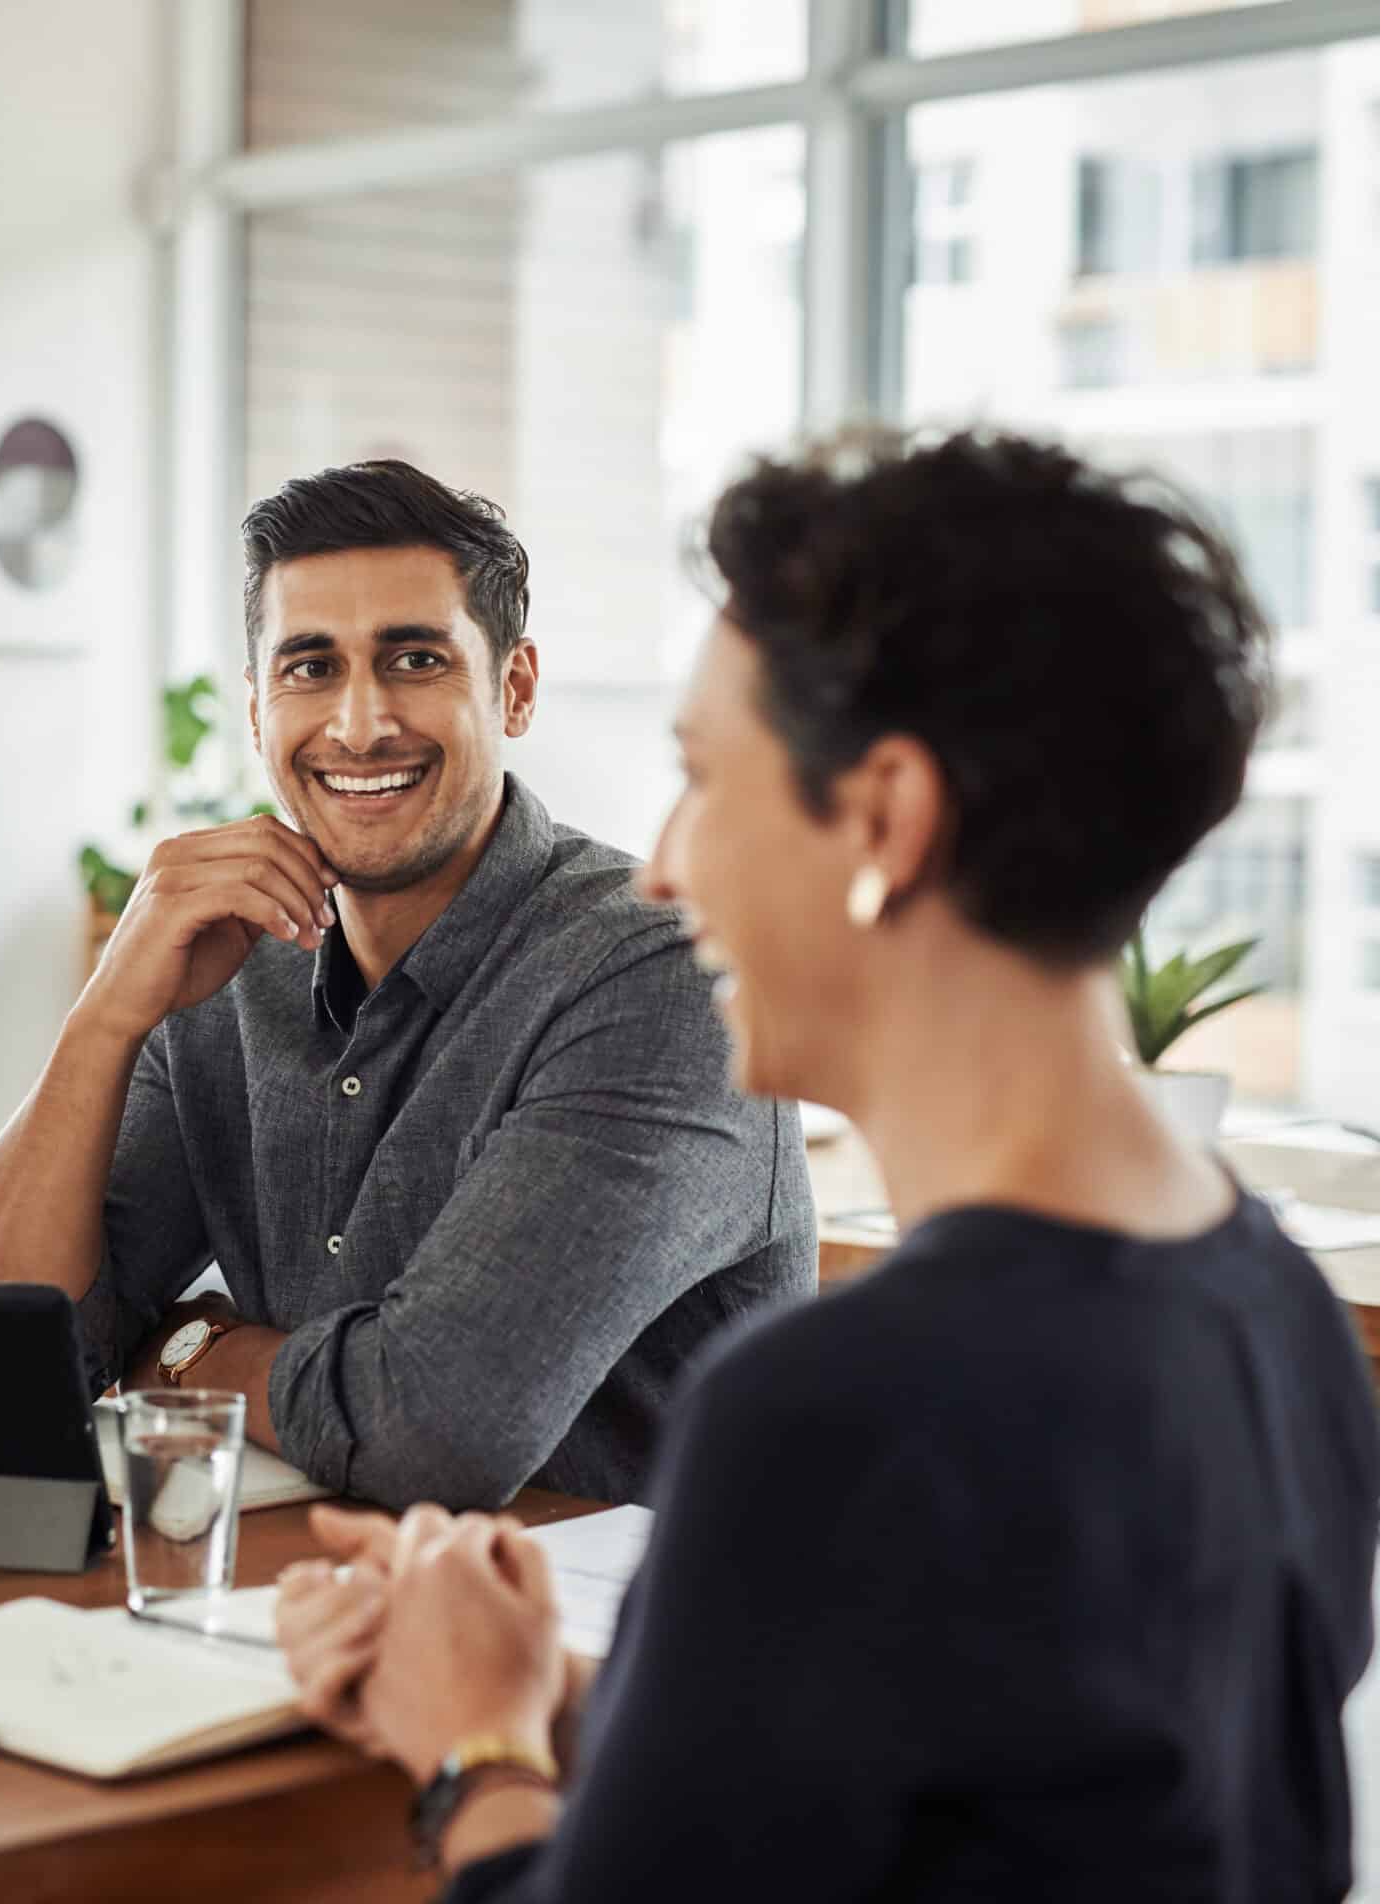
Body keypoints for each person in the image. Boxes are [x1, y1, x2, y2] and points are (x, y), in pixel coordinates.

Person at [276, 429, 1380, 1897]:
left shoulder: (834, 1416)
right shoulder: (1274, 1310)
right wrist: (559, 1691)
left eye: (703, 779)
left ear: (885, 820)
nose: (663, 866)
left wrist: (477, 1744)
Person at [0, 460, 814, 1509]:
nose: (359, 725)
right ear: (259, 706)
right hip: (311, 1600)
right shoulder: (230, 963)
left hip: (602, 1649)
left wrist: (187, 1349)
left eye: (413, 658)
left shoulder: (655, 975)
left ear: (515, 686)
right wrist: (106, 1016)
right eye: (309, 667)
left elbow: (435, 1429)